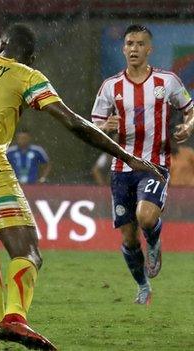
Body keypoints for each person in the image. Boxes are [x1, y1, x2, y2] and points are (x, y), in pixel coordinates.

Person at [0, 24, 163, 350]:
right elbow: (73, 122)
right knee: (28, 252)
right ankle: (15, 319)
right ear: (30, 57)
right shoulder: (26, 75)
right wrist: (127, 156)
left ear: (0, 45)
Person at [91, 24, 194, 305]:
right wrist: (105, 126)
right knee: (128, 238)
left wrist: (188, 127)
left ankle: (156, 240)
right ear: (123, 48)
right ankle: (142, 285)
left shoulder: (167, 81)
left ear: (150, 49)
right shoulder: (111, 86)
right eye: (129, 43)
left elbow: (190, 109)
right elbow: (95, 124)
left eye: (139, 44)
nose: (134, 48)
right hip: (121, 168)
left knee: (146, 216)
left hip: (154, 164)